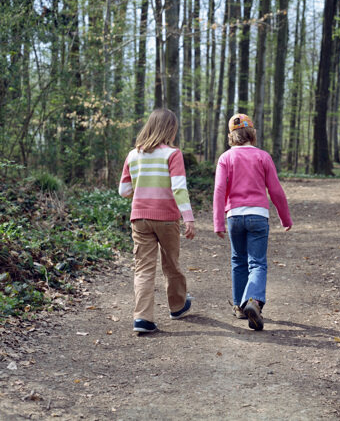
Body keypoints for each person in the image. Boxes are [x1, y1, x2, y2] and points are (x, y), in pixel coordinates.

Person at [213, 114, 292, 331]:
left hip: (234, 216)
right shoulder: (263, 157)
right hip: (258, 215)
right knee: (257, 262)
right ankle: (253, 301)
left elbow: (220, 190)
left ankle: (240, 306)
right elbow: (275, 190)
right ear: (252, 134)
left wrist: (218, 221)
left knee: (238, 260)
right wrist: (285, 217)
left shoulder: (225, 158)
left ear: (231, 136)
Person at [119, 108, 195, 333]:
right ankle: (177, 306)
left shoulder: (133, 155)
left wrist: (142, 188)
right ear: (170, 129)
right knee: (171, 264)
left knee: (143, 268)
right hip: (167, 218)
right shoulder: (172, 154)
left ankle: (142, 318)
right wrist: (188, 218)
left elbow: (124, 190)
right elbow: (179, 189)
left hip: (140, 218)